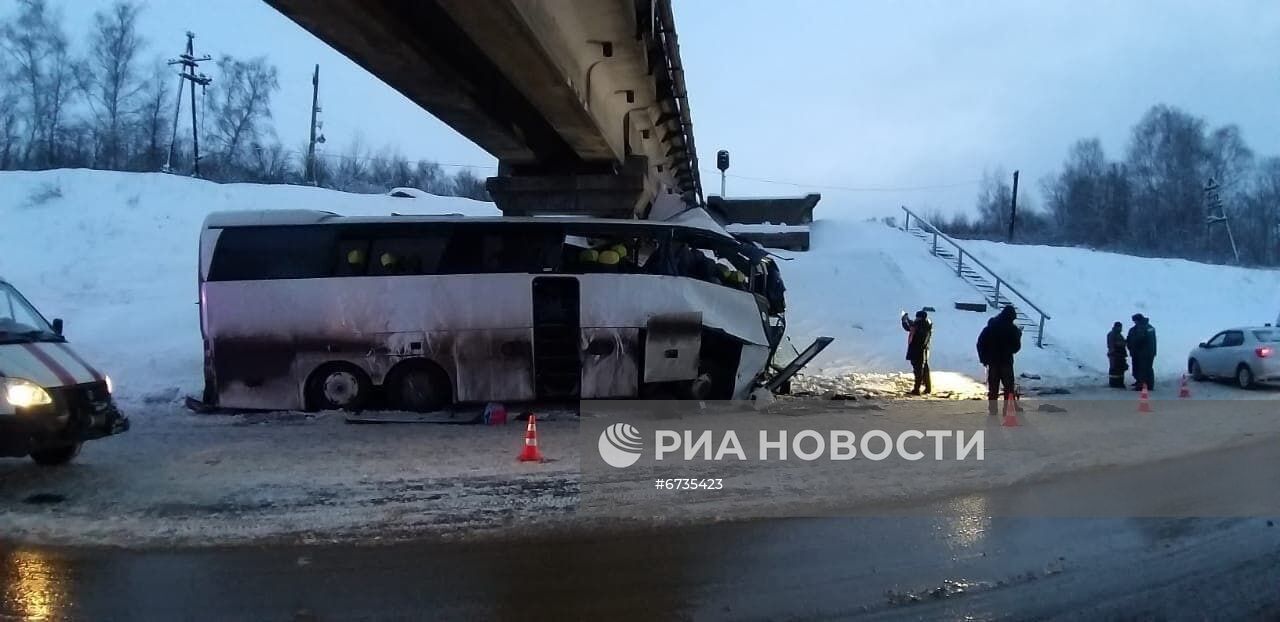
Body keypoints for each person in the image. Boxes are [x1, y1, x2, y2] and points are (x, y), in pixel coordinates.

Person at [977, 305, 1022, 414]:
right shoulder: (1012, 329)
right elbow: (1017, 346)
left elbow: (980, 343)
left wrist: (984, 358)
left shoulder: (991, 327)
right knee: (1008, 387)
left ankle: (992, 409)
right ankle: (1007, 409)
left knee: (993, 387)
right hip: (1006, 362)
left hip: (992, 362)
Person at [900, 309, 932, 395]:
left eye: (917, 317)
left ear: (920, 318)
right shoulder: (926, 324)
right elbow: (912, 326)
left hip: (917, 351)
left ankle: (916, 389)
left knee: (918, 371)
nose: (916, 319)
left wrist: (904, 320)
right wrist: (906, 320)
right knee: (924, 370)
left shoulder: (920, 326)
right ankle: (928, 388)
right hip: (924, 351)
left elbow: (910, 328)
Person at [1126, 314, 1157, 391]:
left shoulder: (1142, 328)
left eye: (1135, 321)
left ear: (1138, 320)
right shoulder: (1150, 327)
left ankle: (1141, 385)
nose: (1134, 322)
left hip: (1142, 353)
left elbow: (1138, 340)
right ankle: (1148, 384)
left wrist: (1130, 344)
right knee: (1148, 369)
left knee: (1141, 369)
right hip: (1149, 352)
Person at [1107, 321, 1129, 388]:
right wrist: (1124, 342)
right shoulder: (1113, 334)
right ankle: (1115, 383)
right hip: (1116, 355)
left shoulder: (1117, 334)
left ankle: (1119, 383)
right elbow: (1114, 344)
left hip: (1119, 355)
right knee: (1115, 370)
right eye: (1119, 327)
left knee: (1120, 369)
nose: (1120, 328)